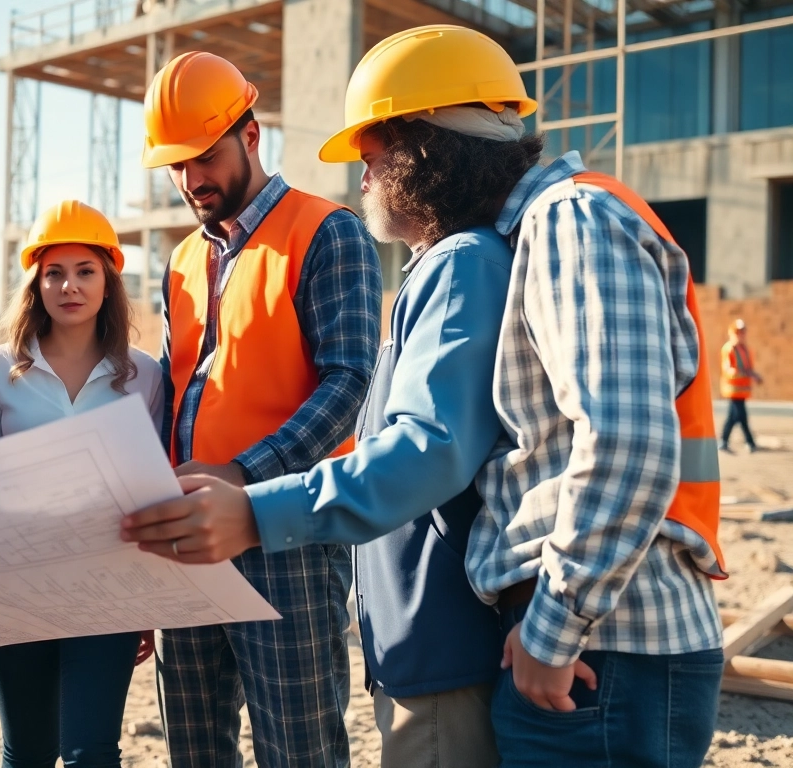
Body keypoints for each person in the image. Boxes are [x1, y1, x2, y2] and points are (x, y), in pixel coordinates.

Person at [123, 25, 727, 768]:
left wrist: (553, 628)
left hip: (608, 640)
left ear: (425, 147)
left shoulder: (564, 221)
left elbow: (620, 443)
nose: (363, 177)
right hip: (583, 636)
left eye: (372, 154)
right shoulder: (508, 244)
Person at [139, 51, 382, 767]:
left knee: (298, 749)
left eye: (205, 157)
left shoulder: (327, 231)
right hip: (185, 536)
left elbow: (350, 383)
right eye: (176, 165)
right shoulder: (182, 261)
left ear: (250, 135)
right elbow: (174, 392)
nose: (191, 180)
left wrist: (243, 477)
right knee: (194, 749)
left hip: (289, 537)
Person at [0, 200, 163, 768]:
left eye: (85, 271)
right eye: (54, 272)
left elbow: (151, 490)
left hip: (108, 587)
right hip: (16, 585)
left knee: (92, 752)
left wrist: (148, 600)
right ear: (36, 283)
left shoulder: (145, 374)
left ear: (109, 281)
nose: (69, 285)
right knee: (27, 752)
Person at [720, 318, 762, 453]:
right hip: (733, 390)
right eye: (738, 332)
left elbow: (748, 368)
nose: (741, 335)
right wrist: (740, 373)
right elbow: (728, 369)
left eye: (743, 332)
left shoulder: (745, 350)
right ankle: (750, 442)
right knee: (741, 416)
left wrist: (755, 376)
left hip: (742, 391)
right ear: (732, 333)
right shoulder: (729, 349)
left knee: (733, 417)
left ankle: (724, 441)